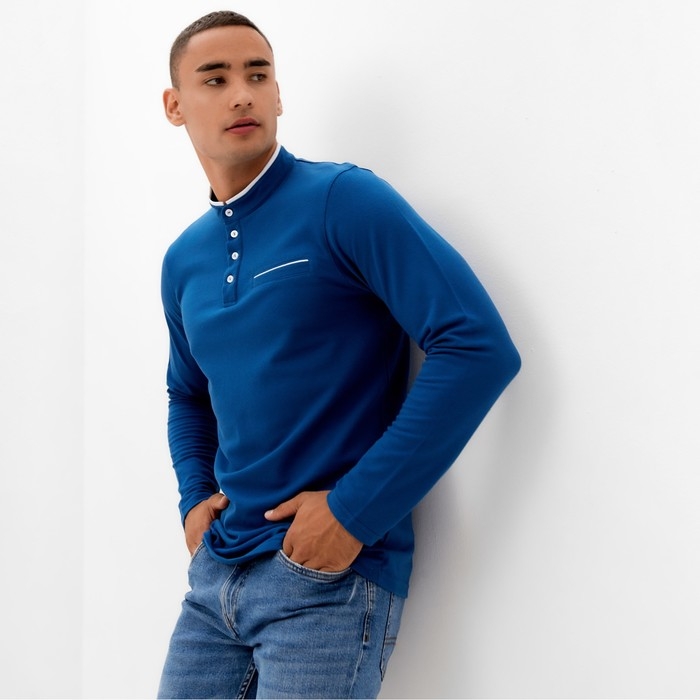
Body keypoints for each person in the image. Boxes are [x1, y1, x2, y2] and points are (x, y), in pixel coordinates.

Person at [157, 10, 520, 699]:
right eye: (216, 79)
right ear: (175, 105)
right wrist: (193, 495)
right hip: (216, 579)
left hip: (324, 580)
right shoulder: (184, 261)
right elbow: (187, 392)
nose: (242, 94)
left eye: (258, 75)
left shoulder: (342, 201)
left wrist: (354, 510)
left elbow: (477, 347)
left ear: (279, 94)